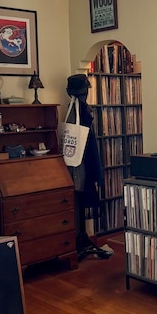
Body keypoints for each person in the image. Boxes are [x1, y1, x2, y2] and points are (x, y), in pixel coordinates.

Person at [65, 74, 110, 260]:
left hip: (80, 163)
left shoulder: (73, 111)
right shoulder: (81, 112)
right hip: (81, 164)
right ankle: (82, 240)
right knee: (83, 193)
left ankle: (83, 238)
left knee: (82, 196)